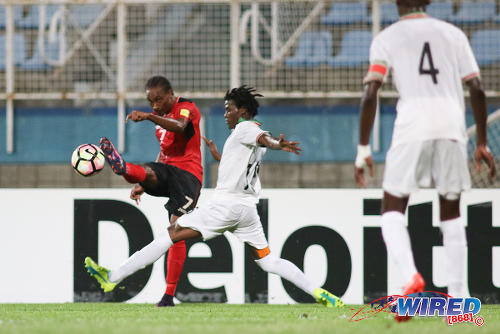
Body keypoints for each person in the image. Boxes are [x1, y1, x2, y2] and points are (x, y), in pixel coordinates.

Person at [86, 86, 344, 308]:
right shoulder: (244, 136)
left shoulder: (246, 129)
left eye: (229, 109)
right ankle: (319, 292)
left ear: (242, 111)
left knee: (172, 233)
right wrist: (219, 155)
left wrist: (278, 144)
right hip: (247, 210)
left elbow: (263, 139)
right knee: (267, 260)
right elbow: (245, 160)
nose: (225, 114)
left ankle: (114, 276)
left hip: (227, 205)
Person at [354, 0, 496, 322]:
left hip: (411, 128)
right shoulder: (453, 34)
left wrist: (363, 147)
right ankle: (459, 301)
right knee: (451, 213)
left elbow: (369, 92)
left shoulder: (387, 37)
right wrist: (483, 142)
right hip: (451, 128)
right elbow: (476, 86)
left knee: (392, 210)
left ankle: (409, 278)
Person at [99, 75, 203, 307]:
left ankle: (168, 296)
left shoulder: (185, 107)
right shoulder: (160, 122)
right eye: (150, 102)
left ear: (170, 94)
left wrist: (148, 116)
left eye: (158, 100)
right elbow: (164, 157)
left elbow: (180, 126)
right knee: (147, 168)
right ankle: (126, 169)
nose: (155, 105)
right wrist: (143, 184)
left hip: (188, 177)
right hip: (169, 171)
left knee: (175, 233)